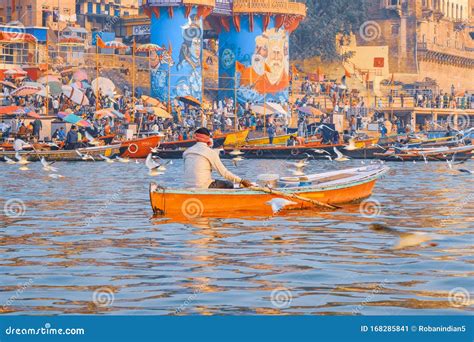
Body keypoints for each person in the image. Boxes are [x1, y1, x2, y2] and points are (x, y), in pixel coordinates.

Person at [183, 127, 252, 189]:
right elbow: (224, 173)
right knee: (228, 184)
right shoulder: (210, 152)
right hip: (203, 186)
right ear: (208, 139)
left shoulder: (187, 152)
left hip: (187, 186)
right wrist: (241, 181)